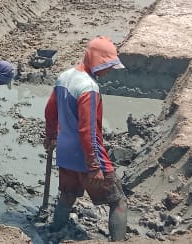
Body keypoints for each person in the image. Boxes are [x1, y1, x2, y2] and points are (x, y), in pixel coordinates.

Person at [43, 36, 128, 241]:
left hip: (66, 151)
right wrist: (93, 165)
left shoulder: (64, 77)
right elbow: (87, 130)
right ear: (96, 60)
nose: (108, 71)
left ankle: (55, 232)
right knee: (118, 201)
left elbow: (50, 111)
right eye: (107, 66)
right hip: (87, 154)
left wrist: (51, 136)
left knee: (67, 196)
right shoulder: (89, 88)